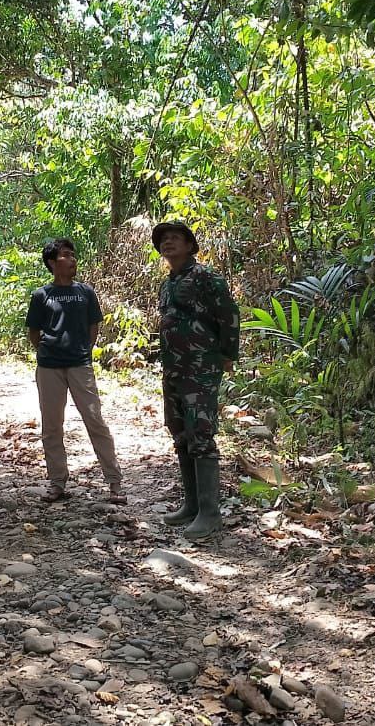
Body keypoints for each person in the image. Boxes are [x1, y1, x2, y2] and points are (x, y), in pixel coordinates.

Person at [153, 219, 240, 540]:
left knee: (201, 434)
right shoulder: (167, 283)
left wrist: (228, 354)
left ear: (190, 245)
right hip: (174, 369)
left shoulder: (206, 277)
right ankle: (191, 506)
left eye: (175, 238)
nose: (168, 243)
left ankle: (210, 512)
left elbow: (229, 314)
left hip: (201, 368)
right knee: (180, 433)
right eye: (163, 240)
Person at [26, 238, 125, 504]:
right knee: (52, 426)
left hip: (80, 365)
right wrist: (49, 348)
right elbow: (34, 332)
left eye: (73, 255)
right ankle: (57, 482)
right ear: (51, 262)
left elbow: (94, 326)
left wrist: (84, 350)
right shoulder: (41, 295)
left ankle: (114, 483)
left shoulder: (86, 292)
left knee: (95, 421)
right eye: (66, 255)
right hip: (49, 367)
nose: (72, 260)